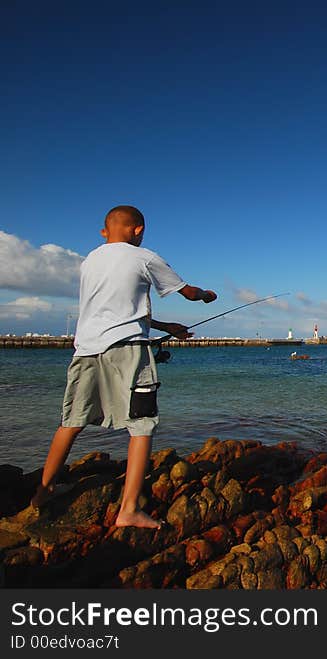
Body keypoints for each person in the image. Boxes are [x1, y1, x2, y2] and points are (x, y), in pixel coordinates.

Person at [30, 205, 217, 528]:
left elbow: (115, 309)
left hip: (86, 350)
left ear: (104, 232)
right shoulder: (144, 257)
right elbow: (187, 292)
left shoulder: (90, 261)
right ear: (139, 230)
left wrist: (163, 326)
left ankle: (43, 492)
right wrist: (205, 295)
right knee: (142, 425)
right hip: (129, 352)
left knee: (72, 421)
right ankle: (128, 510)